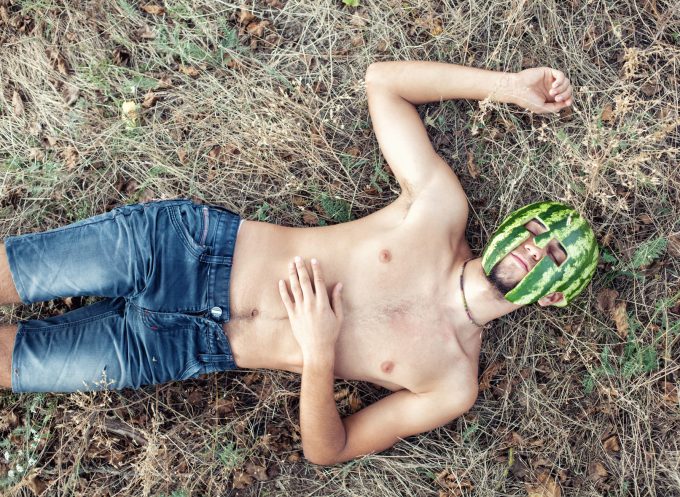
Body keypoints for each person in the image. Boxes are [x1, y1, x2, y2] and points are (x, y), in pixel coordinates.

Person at [0, 61, 598, 465]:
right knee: (17, 275)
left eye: (551, 254)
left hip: (184, 347)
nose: (531, 247)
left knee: (15, 365)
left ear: (553, 295)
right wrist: (506, 87)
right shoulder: (441, 212)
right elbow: (383, 81)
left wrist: (319, 353)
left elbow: (328, 450)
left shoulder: (452, 383)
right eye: (537, 229)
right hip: (189, 252)